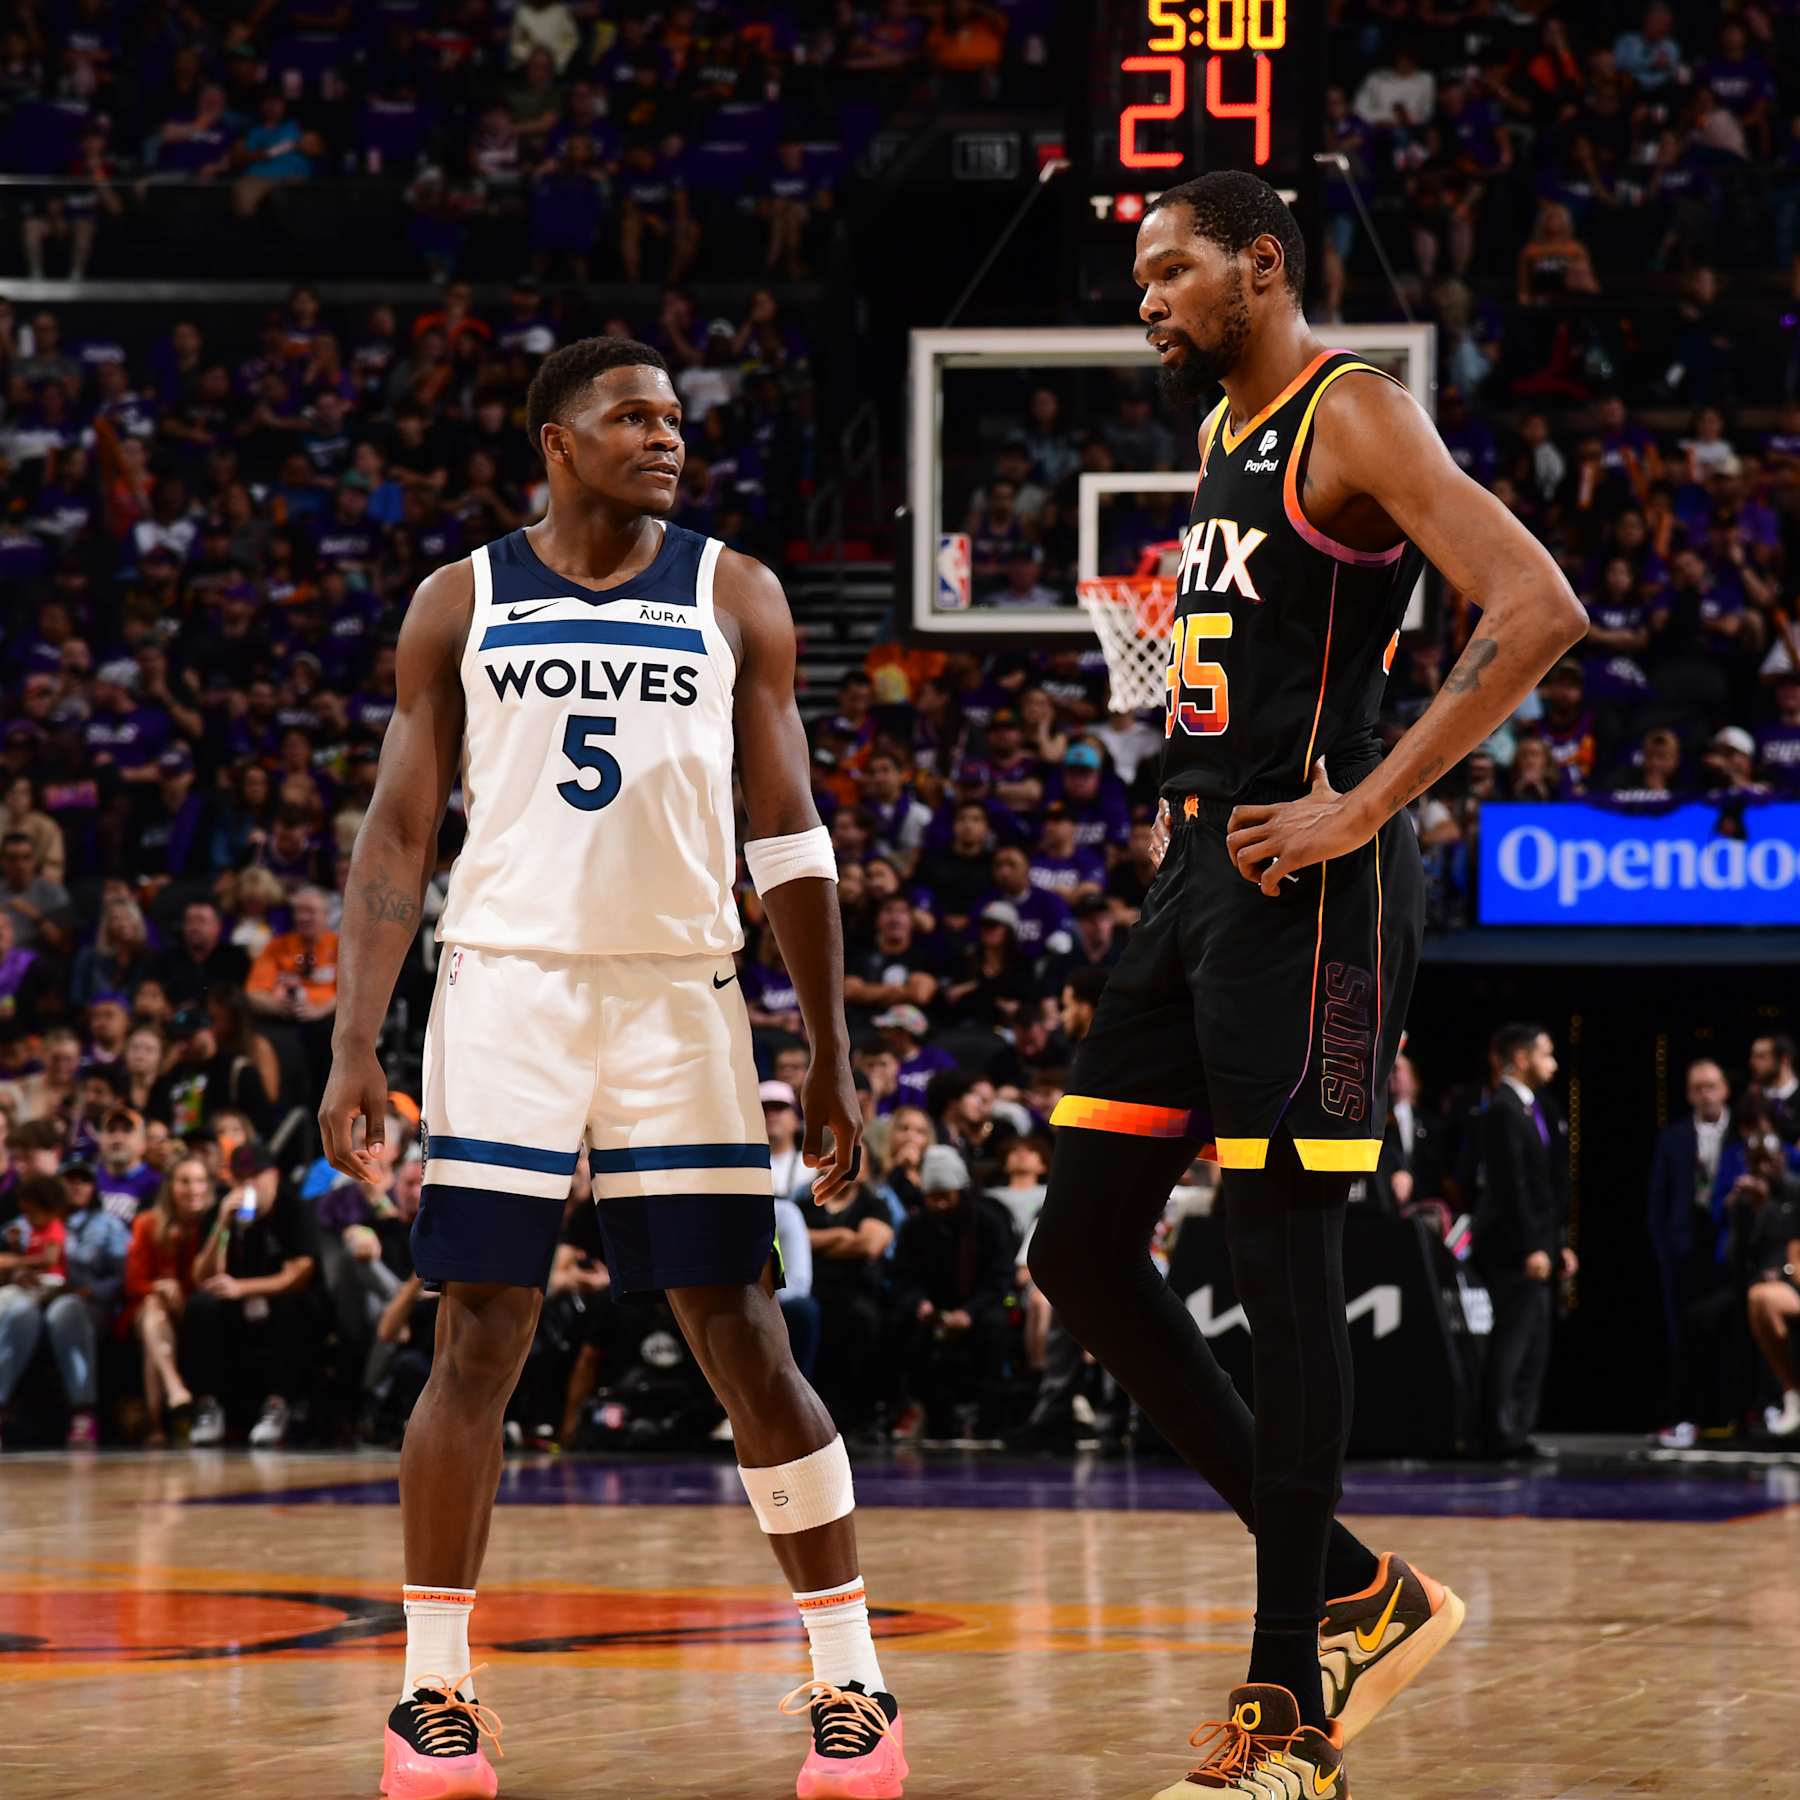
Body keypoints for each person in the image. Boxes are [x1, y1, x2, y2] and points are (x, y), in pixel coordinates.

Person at [1025, 170, 1585, 1794]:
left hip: (1316, 888)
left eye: (1170, 270)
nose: (1146, 299)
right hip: (1202, 872)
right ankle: (1354, 1586)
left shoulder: (1357, 412)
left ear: (1261, 265)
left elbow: (1537, 606)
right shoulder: (1222, 429)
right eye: (1141, 277)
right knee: (1078, 1248)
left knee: (1280, 1266)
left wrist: (1364, 804)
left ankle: (1291, 1713)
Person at [316, 336, 905, 1798]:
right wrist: (353, 1035)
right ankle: (432, 1696)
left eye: (675, 418)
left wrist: (830, 1045)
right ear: (557, 442)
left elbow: (789, 832)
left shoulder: (735, 591)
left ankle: (854, 1683)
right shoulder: (460, 598)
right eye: (632, 417)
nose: (666, 437)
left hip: (678, 994)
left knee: (743, 1333)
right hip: (504, 989)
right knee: (478, 1334)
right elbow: (399, 832)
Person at [1472, 1024, 1574, 1459]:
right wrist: (1532, 1246)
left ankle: (1520, 1429)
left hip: (1539, 1243)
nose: (1553, 1064)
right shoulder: (1502, 1110)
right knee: (1514, 1339)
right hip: (1513, 1247)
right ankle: (1499, 1432)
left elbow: (1545, 1185)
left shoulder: (1538, 1108)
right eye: (1546, 1054)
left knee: (1535, 1341)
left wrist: (1557, 1243)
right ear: (1521, 1057)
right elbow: (1511, 1186)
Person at [184, 1139, 321, 1449]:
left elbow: (299, 1274)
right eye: (241, 1178)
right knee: (201, 1306)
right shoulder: (223, 1210)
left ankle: (278, 1404)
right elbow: (202, 1277)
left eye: (255, 1176)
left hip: (280, 1302)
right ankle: (208, 1406)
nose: (249, 1184)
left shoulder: (292, 1208)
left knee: (292, 1305)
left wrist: (242, 1288)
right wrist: (221, 1226)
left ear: (273, 1175)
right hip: (236, 1309)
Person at [891, 1144, 1014, 1439]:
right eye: (933, 1197)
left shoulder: (987, 1222)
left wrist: (970, 1312)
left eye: (946, 1196)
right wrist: (919, 1304)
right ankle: (930, 1416)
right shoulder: (914, 1227)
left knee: (995, 1328)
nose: (940, 1205)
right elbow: (903, 1276)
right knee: (900, 1327)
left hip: (979, 1307)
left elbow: (999, 1277)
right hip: (931, 1309)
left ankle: (987, 1420)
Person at [120, 1151, 216, 1444]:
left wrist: (180, 1291)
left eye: (199, 1181)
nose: (193, 1189)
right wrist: (159, 1287)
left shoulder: (212, 1223)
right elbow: (133, 1283)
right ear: (170, 1187)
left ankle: (157, 1425)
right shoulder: (147, 1223)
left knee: (155, 1336)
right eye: (184, 1181)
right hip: (150, 1311)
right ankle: (173, 1389)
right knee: (154, 1311)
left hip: (195, 1308)